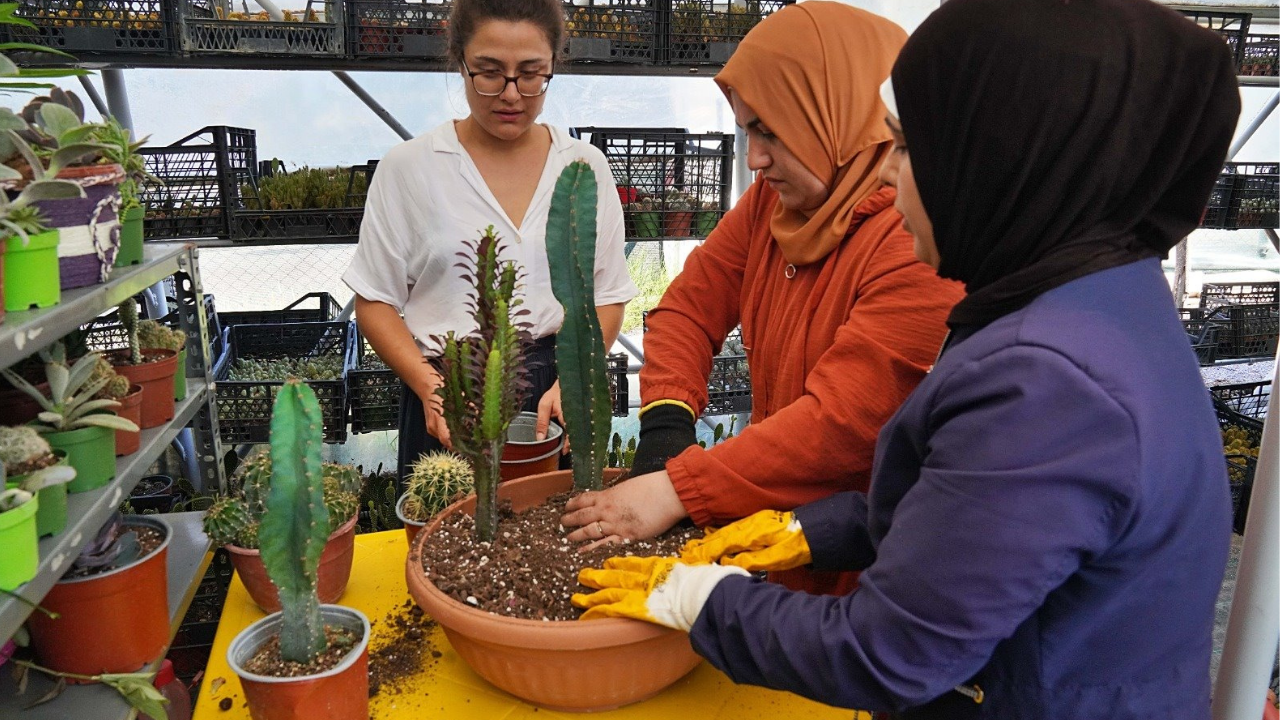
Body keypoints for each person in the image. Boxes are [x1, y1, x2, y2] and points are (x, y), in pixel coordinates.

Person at [570, 0, 1240, 716]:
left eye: (911, 146)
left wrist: (696, 599)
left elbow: (889, 652)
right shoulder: (1098, 293)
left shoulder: (1048, 382)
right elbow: (965, 508)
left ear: (998, 157)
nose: (887, 176)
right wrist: (803, 530)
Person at [561, 2, 963, 596]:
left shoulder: (915, 240)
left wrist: (679, 490)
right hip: (776, 541)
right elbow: (688, 309)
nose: (754, 158)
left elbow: (842, 425)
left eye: (771, 130)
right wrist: (666, 428)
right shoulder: (774, 208)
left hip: (867, 572)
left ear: (837, 114)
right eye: (748, 129)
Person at [343, 0, 637, 481]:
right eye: (488, 72)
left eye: (531, 74)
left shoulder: (583, 169)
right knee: (449, 538)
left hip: (555, 385)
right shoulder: (411, 167)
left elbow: (606, 297)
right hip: (449, 387)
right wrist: (430, 386)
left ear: (552, 66)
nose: (511, 94)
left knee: (555, 542)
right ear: (459, 62)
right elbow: (374, 299)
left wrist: (573, 380)